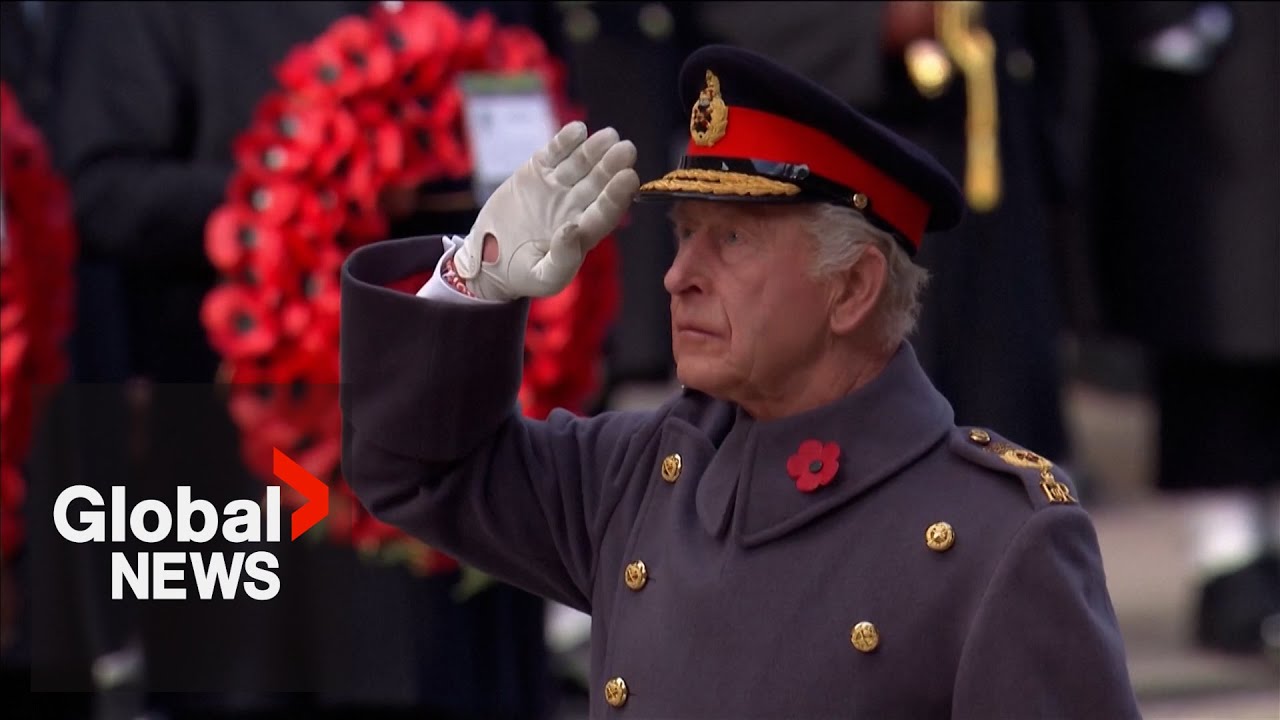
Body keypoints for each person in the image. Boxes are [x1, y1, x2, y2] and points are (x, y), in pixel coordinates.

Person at [340, 45, 1140, 718]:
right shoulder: (641, 476)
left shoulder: (998, 538)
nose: (679, 277)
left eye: (729, 239)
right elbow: (414, 469)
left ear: (853, 288)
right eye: (684, 237)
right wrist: (471, 281)